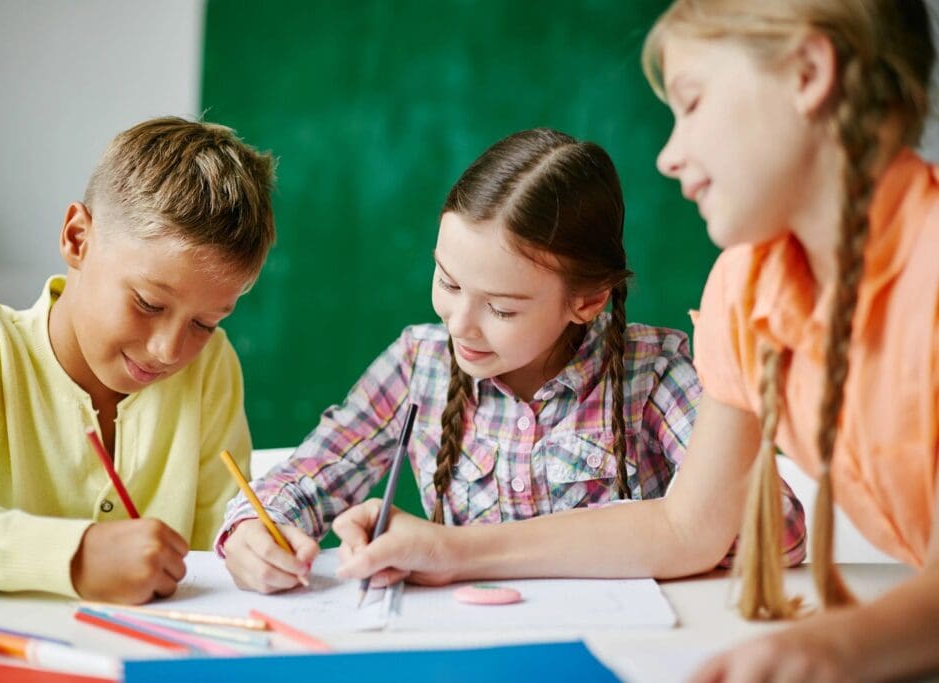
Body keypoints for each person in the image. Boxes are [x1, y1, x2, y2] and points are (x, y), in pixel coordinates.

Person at [334, 2, 939, 679]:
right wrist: (452, 549)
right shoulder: (747, 286)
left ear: (807, 72)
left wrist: (835, 646)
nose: (669, 154)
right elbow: (689, 526)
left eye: (692, 101)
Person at [219, 128, 805, 593]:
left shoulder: (656, 373)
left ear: (588, 300)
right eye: (447, 282)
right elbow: (306, 477)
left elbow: (775, 531)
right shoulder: (418, 362)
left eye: (501, 308)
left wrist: (470, 552)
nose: (459, 325)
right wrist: (254, 532)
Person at [0, 116, 276, 604]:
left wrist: (249, 542)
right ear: (78, 238)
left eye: (204, 323)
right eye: (149, 303)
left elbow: (218, 543)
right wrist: (75, 555)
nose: (169, 351)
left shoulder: (211, 366)